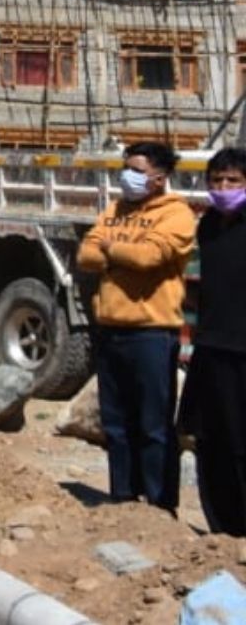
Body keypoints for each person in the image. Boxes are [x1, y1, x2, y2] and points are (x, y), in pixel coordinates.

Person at [75, 139, 196, 512]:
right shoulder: (115, 209)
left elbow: (150, 256)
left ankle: (159, 507)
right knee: (116, 424)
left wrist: (111, 250)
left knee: (154, 427)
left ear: (159, 178)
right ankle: (123, 500)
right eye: (125, 169)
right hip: (111, 330)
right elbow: (85, 255)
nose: (127, 177)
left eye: (137, 171)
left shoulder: (176, 214)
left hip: (151, 334)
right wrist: (114, 251)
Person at [183, 147, 246, 535]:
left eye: (233, 181)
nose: (223, 188)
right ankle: (224, 528)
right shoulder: (207, 226)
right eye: (217, 181)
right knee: (212, 439)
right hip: (211, 350)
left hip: (243, 354)